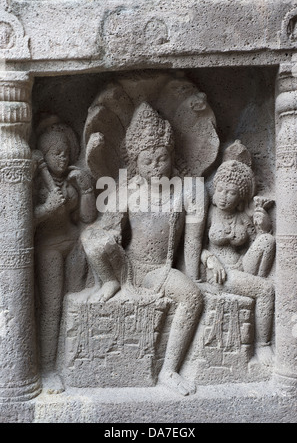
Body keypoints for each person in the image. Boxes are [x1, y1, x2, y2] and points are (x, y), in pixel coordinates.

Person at [80, 102, 207, 396]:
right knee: (91, 239)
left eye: (162, 158)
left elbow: (192, 241)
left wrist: (198, 269)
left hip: (158, 271)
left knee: (192, 296)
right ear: (136, 162)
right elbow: (105, 227)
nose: (156, 167)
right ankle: (112, 283)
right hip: (128, 265)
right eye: (147, 161)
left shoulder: (190, 189)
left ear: (172, 155)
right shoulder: (127, 188)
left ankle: (169, 370)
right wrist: (108, 241)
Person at [33, 116, 96, 392]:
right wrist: (46, 208)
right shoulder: (36, 184)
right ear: (44, 156)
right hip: (48, 247)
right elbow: (20, 223)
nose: (62, 158)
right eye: (56, 153)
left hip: (74, 243)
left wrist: (85, 189)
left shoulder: (71, 179)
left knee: (75, 301)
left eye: (66, 153)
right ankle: (47, 367)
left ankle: (73, 358)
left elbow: (87, 217)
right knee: (52, 308)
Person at [201, 142, 275, 366]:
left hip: (242, 269)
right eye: (221, 190)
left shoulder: (243, 216)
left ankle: (254, 285)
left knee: (267, 240)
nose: (224, 196)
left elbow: (257, 242)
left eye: (231, 192)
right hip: (220, 276)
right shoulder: (210, 213)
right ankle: (263, 345)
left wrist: (263, 223)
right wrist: (210, 260)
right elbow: (195, 246)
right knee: (266, 290)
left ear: (240, 196)